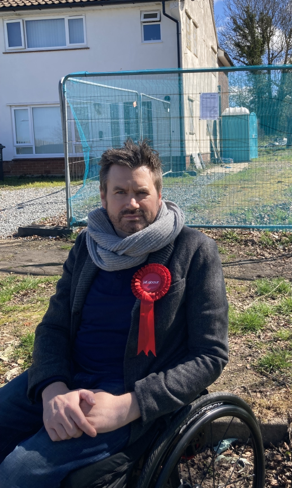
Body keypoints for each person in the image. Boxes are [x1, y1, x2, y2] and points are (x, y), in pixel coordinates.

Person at [0, 139, 228, 488]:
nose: (131, 203)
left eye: (141, 191)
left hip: (130, 394)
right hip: (69, 378)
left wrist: (131, 405)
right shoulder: (87, 247)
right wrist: (52, 389)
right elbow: (53, 327)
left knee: (19, 472)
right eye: (119, 192)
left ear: (159, 194)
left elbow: (210, 355)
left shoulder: (194, 251)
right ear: (103, 198)